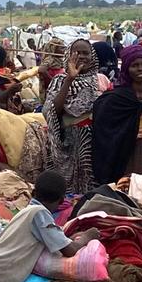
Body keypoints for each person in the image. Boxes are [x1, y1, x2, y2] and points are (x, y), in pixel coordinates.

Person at [92, 44, 142, 186]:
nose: (140, 69)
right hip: (126, 153)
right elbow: (104, 129)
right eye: (134, 65)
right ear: (126, 68)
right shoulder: (114, 99)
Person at [42, 39, 103, 193]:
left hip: (94, 141)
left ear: (92, 56)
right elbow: (51, 110)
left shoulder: (101, 80)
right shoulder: (60, 80)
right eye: (77, 52)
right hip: (68, 141)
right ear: (69, 55)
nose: (82, 56)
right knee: (67, 190)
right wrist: (70, 79)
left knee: (90, 186)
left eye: (86, 53)